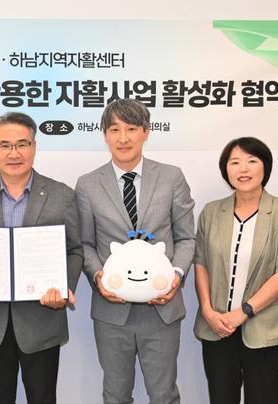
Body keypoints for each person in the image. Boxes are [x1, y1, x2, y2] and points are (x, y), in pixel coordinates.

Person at [0, 112, 83, 404]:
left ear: (34, 147)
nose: (14, 153)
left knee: (43, 398)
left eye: (22, 144)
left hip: (42, 321)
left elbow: (75, 249)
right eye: (5, 145)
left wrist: (63, 290)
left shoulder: (62, 194)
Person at [75, 99, 195, 404]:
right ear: (105, 135)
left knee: (164, 394)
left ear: (146, 132)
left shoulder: (171, 177)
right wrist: (99, 277)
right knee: (115, 395)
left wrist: (176, 276)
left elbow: (186, 238)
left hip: (162, 309)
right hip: (112, 311)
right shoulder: (88, 184)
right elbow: (85, 244)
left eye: (131, 129)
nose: (123, 138)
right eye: (115, 129)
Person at [193, 137, 278, 404]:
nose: (243, 169)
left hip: (265, 329)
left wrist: (242, 313)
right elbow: (201, 263)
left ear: (265, 167)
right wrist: (208, 311)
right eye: (234, 162)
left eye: (252, 161)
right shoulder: (211, 212)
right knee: (221, 398)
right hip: (218, 327)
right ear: (225, 169)